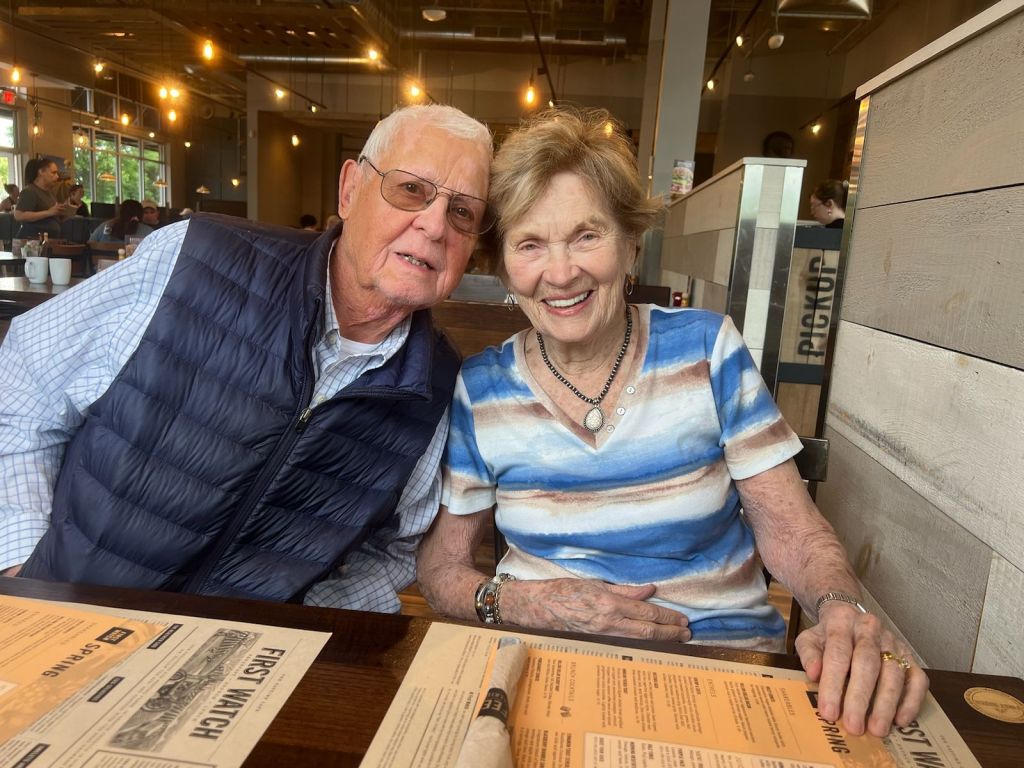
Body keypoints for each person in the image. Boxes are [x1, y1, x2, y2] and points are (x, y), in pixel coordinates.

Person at [416, 107, 928, 737]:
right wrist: (523, 602)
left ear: (631, 243)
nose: (561, 272)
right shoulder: (482, 388)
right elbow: (440, 570)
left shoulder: (707, 350)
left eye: (586, 235)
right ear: (502, 267)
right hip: (549, 671)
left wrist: (841, 609)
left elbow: (791, 530)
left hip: (720, 667)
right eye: (530, 244)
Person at [0, 104, 494, 613]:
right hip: (60, 618)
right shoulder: (194, 259)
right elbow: (26, 381)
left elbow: (395, 548)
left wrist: (302, 625)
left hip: (235, 654)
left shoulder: (438, 389)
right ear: (350, 190)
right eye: (410, 189)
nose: (434, 226)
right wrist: (25, 568)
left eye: (463, 212)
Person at [14, 158, 73, 239]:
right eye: (53, 173)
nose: (57, 176)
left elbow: (51, 217)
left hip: (50, 239)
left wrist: (63, 214)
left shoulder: (50, 192)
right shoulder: (30, 191)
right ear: (41, 172)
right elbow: (18, 215)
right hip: (32, 241)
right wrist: (49, 212)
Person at [89, 199, 154, 242]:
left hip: (103, 259)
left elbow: (90, 244)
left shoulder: (105, 226)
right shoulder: (148, 232)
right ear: (140, 214)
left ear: (120, 213)